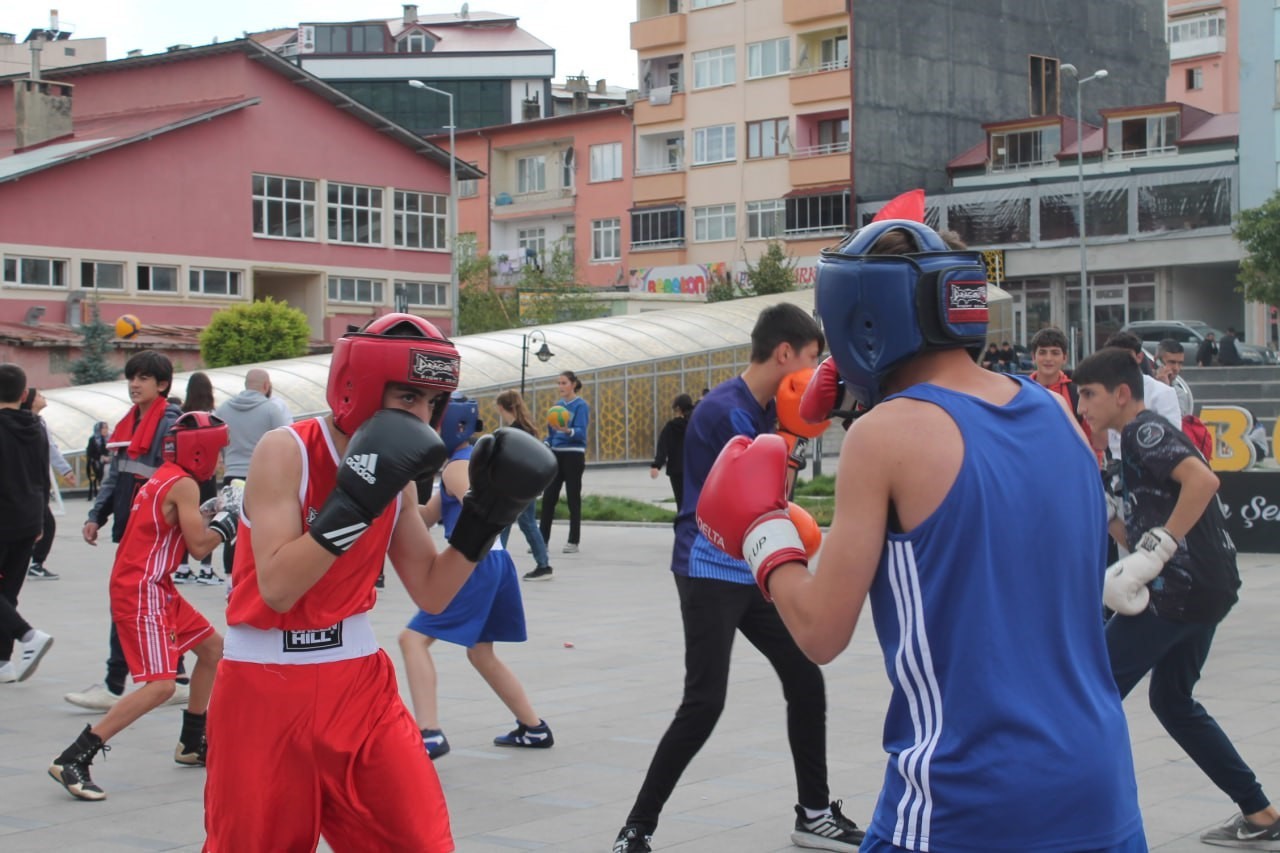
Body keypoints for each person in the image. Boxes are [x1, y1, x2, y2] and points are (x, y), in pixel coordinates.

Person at [693, 220, 1146, 853]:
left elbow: (821, 634)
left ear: (858, 317)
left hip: (967, 798)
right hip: (1101, 788)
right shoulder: (1059, 412)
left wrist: (761, 534)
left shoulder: (884, 435)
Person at [202, 313, 556, 852]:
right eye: (408, 397)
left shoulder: (399, 484)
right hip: (263, 687)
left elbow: (433, 591)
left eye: (432, 402)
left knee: (419, 841)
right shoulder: (287, 450)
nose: (422, 414)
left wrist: (488, 520)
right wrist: (354, 504)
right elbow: (276, 587)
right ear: (357, 387)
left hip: (358, 682)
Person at [612, 303, 864, 853]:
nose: (816, 371)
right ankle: (636, 828)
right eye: (812, 358)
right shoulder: (730, 413)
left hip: (752, 569)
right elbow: (758, 505)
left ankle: (814, 813)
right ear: (784, 354)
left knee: (804, 677)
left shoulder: (762, 409)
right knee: (704, 701)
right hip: (709, 569)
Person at [1072, 346, 1280, 848]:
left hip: (1181, 588)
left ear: (1122, 394)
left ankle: (1074, 820)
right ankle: (1260, 813)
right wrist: (1098, 506)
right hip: (1208, 586)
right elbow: (1133, 529)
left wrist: (1159, 548)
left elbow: (1203, 482)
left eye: (1088, 394)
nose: (1081, 406)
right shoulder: (1126, 446)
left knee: (1089, 691)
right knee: (1172, 700)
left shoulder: (1144, 430)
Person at [48, 413, 235, 801]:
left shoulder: (166, 475)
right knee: (161, 686)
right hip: (143, 589)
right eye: (218, 451)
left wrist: (211, 509)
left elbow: (174, 526)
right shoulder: (184, 484)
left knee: (213, 649)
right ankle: (74, 758)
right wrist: (228, 523)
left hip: (154, 584)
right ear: (199, 451)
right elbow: (200, 546)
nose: (221, 460)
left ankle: (191, 742)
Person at [398, 394, 552, 761]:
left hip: (474, 564)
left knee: (412, 640)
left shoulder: (456, 468)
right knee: (481, 653)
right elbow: (425, 517)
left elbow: (472, 501)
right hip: (495, 562)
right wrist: (396, 492)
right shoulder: (458, 463)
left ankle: (429, 733)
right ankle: (534, 727)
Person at [68, 351, 184, 712]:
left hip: (152, 530)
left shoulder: (170, 422)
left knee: (128, 601)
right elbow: (116, 475)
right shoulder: (127, 423)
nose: (134, 384)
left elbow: (174, 479)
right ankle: (177, 675)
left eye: (143, 378)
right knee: (158, 602)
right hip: (131, 526)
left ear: (161, 384)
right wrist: (96, 515)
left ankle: (114, 684)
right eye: (131, 377)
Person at [0, 364, 55, 684]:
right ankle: (3, 663)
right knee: (8, 592)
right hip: (29, 517)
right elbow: (41, 475)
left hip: (3, 517)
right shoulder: (37, 426)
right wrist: (40, 520)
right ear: (23, 394)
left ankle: (28, 635)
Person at [213, 368, 290, 583]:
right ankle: (256, 576)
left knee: (233, 526)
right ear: (266, 386)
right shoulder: (271, 410)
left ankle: (230, 578)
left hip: (232, 475)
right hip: (263, 478)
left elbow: (215, 439)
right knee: (263, 527)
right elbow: (287, 442)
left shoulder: (224, 409)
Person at [493, 389, 553, 581]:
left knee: (505, 524)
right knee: (525, 524)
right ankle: (542, 565)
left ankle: (497, 566)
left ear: (501, 407)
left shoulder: (512, 432)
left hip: (516, 485)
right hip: (529, 484)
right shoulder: (526, 428)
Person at [1103, 331, 1182, 464]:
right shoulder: (1104, 392)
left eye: (1126, 356)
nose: (1120, 362)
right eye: (1114, 356)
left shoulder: (1162, 392)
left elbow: (1172, 442)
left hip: (1151, 471)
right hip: (1116, 472)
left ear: (1139, 357)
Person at [22, 388, 76, 580]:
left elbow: (51, 449)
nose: (43, 397)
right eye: (38, 395)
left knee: (41, 524)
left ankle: (31, 563)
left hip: (36, 484)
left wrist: (65, 470)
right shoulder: (26, 423)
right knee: (45, 524)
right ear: (29, 400)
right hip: (28, 484)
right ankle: (34, 564)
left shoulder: (39, 423)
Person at [174, 372, 221, 585]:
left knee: (184, 519)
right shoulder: (213, 416)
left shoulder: (182, 416)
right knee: (207, 518)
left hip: (185, 474)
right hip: (207, 474)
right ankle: (206, 568)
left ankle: (182, 567)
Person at [539, 370, 590, 555]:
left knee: (572, 498)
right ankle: (541, 541)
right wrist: (546, 443)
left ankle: (573, 541)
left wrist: (568, 431)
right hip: (556, 455)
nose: (560, 387)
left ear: (573, 384)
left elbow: (581, 433)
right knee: (548, 498)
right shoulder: (557, 407)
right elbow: (551, 434)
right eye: (558, 383)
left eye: (564, 383)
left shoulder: (581, 406)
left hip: (574, 456)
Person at [649, 393, 693, 513]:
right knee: (694, 501)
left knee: (681, 502)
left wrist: (656, 465)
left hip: (677, 471)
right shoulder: (696, 424)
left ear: (678, 409)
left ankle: (684, 527)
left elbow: (663, 447)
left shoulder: (671, 427)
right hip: (694, 469)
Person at [1155, 338, 1195, 418]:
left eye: (1180, 363)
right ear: (1157, 361)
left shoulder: (1179, 393)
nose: (1176, 368)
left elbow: (1175, 422)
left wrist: (1165, 388)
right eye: (1171, 362)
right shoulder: (1145, 385)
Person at [86, 421, 108, 502]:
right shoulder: (93, 440)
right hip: (95, 463)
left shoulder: (108, 439)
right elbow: (90, 453)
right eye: (103, 428)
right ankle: (97, 495)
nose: (105, 430)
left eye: (106, 428)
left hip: (106, 463)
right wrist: (101, 457)